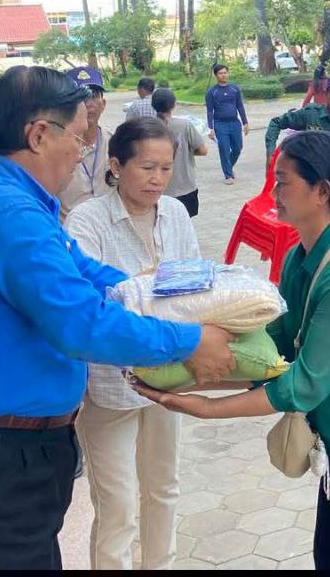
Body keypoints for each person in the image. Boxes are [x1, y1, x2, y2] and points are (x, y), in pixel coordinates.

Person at [0, 66, 235, 570]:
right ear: (38, 135)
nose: (81, 150)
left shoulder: (16, 198)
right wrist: (190, 341)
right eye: (77, 136)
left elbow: (87, 273)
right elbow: (81, 323)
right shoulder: (8, 212)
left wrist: (161, 295)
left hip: (9, 450)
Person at [135, 131, 330, 570]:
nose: (273, 192)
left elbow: (304, 384)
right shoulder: (300, 256)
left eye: (283, 181)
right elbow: (274, 348)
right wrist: (193, 369)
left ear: (322, 191)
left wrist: (205, 407)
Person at [65, 118, 200, 570]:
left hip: (167, 375)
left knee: (164, 487)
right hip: (110, 383)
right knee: (117, 503)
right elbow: (89, 299)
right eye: (146, 167)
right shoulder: (88, 220)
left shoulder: (175, 214)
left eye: (165, 168)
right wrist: (145, 287)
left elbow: (193, 285)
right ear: (116, 166)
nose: (157, 179)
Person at [266, 75, 330, 168]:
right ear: (326, 94)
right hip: (310, 172)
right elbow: (276, 123)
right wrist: (271, 152)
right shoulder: (311, 113)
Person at [59, 68, 113, 220]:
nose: (88, 104)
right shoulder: (57, 148)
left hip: (107, 228)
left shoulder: (115, 144)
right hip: (69, 229)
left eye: (94, 96)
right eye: (81, 97)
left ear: (103, 104)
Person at [152, 87, 207, 217]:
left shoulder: (147, 126)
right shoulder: (185, 125)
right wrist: (186, 151)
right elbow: (203, 150)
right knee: (183, 224)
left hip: (156, 188)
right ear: (173, 104)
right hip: (184, 187)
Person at [205, 63, 248, 185]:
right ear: (216, 75)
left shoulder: (234, 89)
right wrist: (210, 128)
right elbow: (209, 111)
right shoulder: (212, 92)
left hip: (234, 123)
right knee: (224, 149)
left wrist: (245, 122)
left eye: (225, 73)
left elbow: (240, 106)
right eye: (220, 73)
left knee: (237, 148)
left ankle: (229, 166)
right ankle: (228, 175)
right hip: (220, 124)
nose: (223, 75)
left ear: (228, 73)